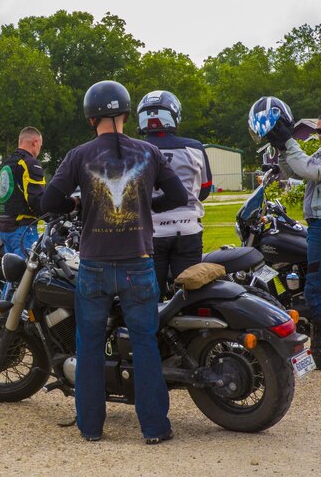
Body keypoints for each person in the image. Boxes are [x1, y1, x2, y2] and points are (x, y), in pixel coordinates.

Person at [42, 80, 187, 444]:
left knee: (88, 346)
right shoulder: (149, 152)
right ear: (125, 114)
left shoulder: (79, 155)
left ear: (92, 117)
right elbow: (179, 194)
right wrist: (148, 206)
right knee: (145, 344)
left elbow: (49, 201)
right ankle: (155, 428)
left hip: (93, 266)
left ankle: (90, 428)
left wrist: (74, 205)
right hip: (139, 264)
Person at [250, 99, 321, 369]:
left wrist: (289, 142)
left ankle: (320, 354)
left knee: (317, 288)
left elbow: (312, 172)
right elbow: (296, 170)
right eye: (319, 131)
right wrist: (282, 148)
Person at [137, 90, 212, 298]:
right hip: (188, 230)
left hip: (151, 233)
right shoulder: (194, 147)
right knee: (189, 295)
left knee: (150, 297)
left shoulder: (136, 150)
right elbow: (204, 189)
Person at [0, 126, 45, 258]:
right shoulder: (29, 163)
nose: (38, 150)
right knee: (26, 276)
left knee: (12, 274)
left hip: (5, 229)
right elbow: (36, 199)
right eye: (40, 146)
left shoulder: (7, 163)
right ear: (35, 142)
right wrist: (54, 212)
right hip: (23, 231)